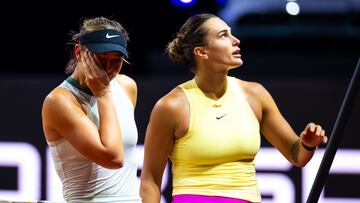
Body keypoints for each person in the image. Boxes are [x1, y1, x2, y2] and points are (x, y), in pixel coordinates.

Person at [140, 13, 328, 203]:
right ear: (202, 52)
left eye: (231, 34)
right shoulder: (171, 106)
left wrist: (307, 144)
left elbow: (297, 156)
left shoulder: (255, 95)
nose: (236, 40)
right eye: (223, 35)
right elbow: (150, 181)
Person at [41, 16, 141, 202]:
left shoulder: (127, 86)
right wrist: (103, 94)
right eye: (100, 60)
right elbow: (113, 158)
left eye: (117, 60)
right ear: (79, 52)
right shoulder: (59, 101)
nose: (108, 70)